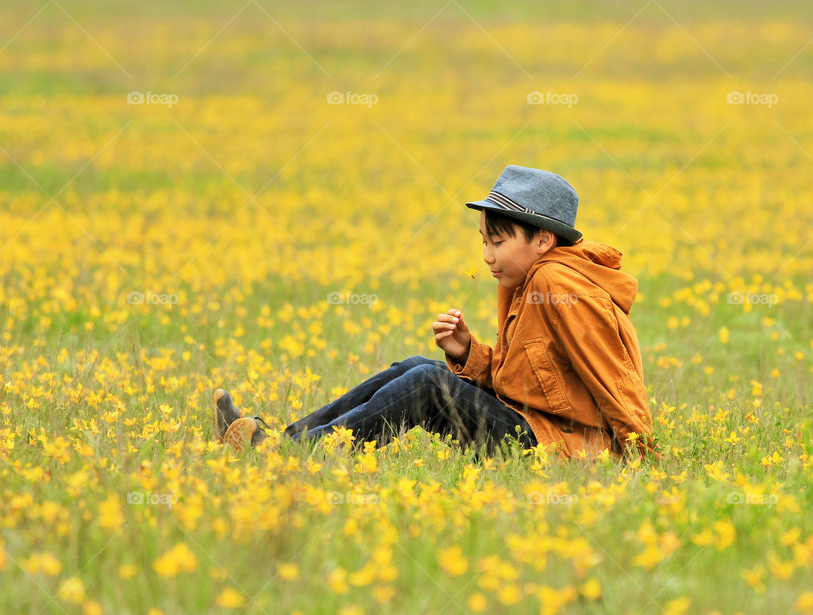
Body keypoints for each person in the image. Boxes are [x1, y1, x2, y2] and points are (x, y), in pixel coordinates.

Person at [214, 164, 657, 461]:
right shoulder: (529, 280)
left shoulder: (556, 285)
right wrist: (469, 353)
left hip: (556, 447)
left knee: (427, 384)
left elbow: (613, 375)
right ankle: (288, 441)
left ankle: (289, 456)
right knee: (417, 366)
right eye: (483, 241)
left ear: (543, 240)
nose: (486, 255)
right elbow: (529, 377)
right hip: (536, 428)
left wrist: (639, 455)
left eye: (497, 242)